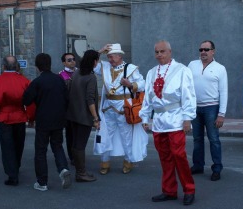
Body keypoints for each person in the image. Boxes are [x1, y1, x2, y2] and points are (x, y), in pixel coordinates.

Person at [139, 40, 196, 205]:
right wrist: (144, 118)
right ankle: (169, 190)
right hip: (159, 122)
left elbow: (188, 95)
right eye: (156, 52)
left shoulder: (182, 70)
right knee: (165, 157)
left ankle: (189, 189)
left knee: (179, 155)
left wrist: (187, 119)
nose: (159, 55)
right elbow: (148, 98)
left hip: (176, 119)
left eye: (162, 51)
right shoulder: (151, 73)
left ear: (170, 51)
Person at [93, 43, 147, 175]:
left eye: (112, 56)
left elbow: (142, 84)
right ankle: (105, 162)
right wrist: (99, 51)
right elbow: (90, 63)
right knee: (105, 135)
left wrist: (130, 84)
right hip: (107, 108)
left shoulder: (131, 68)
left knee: (126, 136)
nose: (110, 59)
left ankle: (128, 161)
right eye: (109, 56)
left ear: (120, 56)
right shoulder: (104, 66)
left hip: (124, 107)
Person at [23, 53, 71, 191]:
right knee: (57, 146)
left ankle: (42, 182)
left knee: (40, 150)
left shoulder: (37, 82)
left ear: (37, 67)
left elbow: (26, 100)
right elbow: (66, 99)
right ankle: (63, 168)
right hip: (58, 119)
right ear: (50, 64)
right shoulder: (59, 80)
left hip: (43, 120)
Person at [188, 40, 228, 181]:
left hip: (212, 107)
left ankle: (217, 168)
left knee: (214, 139)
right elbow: (186, 87)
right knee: (197, 139)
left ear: (213, 51)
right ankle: (198, 165)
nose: (203, 52)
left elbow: (223, 92)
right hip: (195, 107)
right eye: (201, 49)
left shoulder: (220, 68)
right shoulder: (192, 65)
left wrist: (221, 114)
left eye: (206, 49)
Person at [0, 56, 35, 186]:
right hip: (19, 116)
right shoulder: (24, 81)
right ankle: (16, 167)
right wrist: (31, 117)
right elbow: (30, 102)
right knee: (19, 144)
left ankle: (12, 174)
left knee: (7, 146)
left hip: (4, 117)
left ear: (4, 66)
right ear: (17, 66)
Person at [66, 50, 100, 182]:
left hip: (72, 114)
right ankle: (81, 173)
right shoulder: (90, 77)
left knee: (75, 144)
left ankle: (80, 171)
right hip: (83, 117)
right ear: (94, 62)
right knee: (80, 145)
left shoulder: (76, 73)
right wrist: (96, 118)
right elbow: (90, 99)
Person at [59, 53, 77, 165]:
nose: (72, 61)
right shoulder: (61, 75)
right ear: (64, 63)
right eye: (69, 60)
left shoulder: (79, 73)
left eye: (73, 59)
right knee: (70, 134)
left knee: (79, 134)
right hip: (68, 110)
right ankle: (72, 157)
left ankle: (79, 155)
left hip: (80, 109)